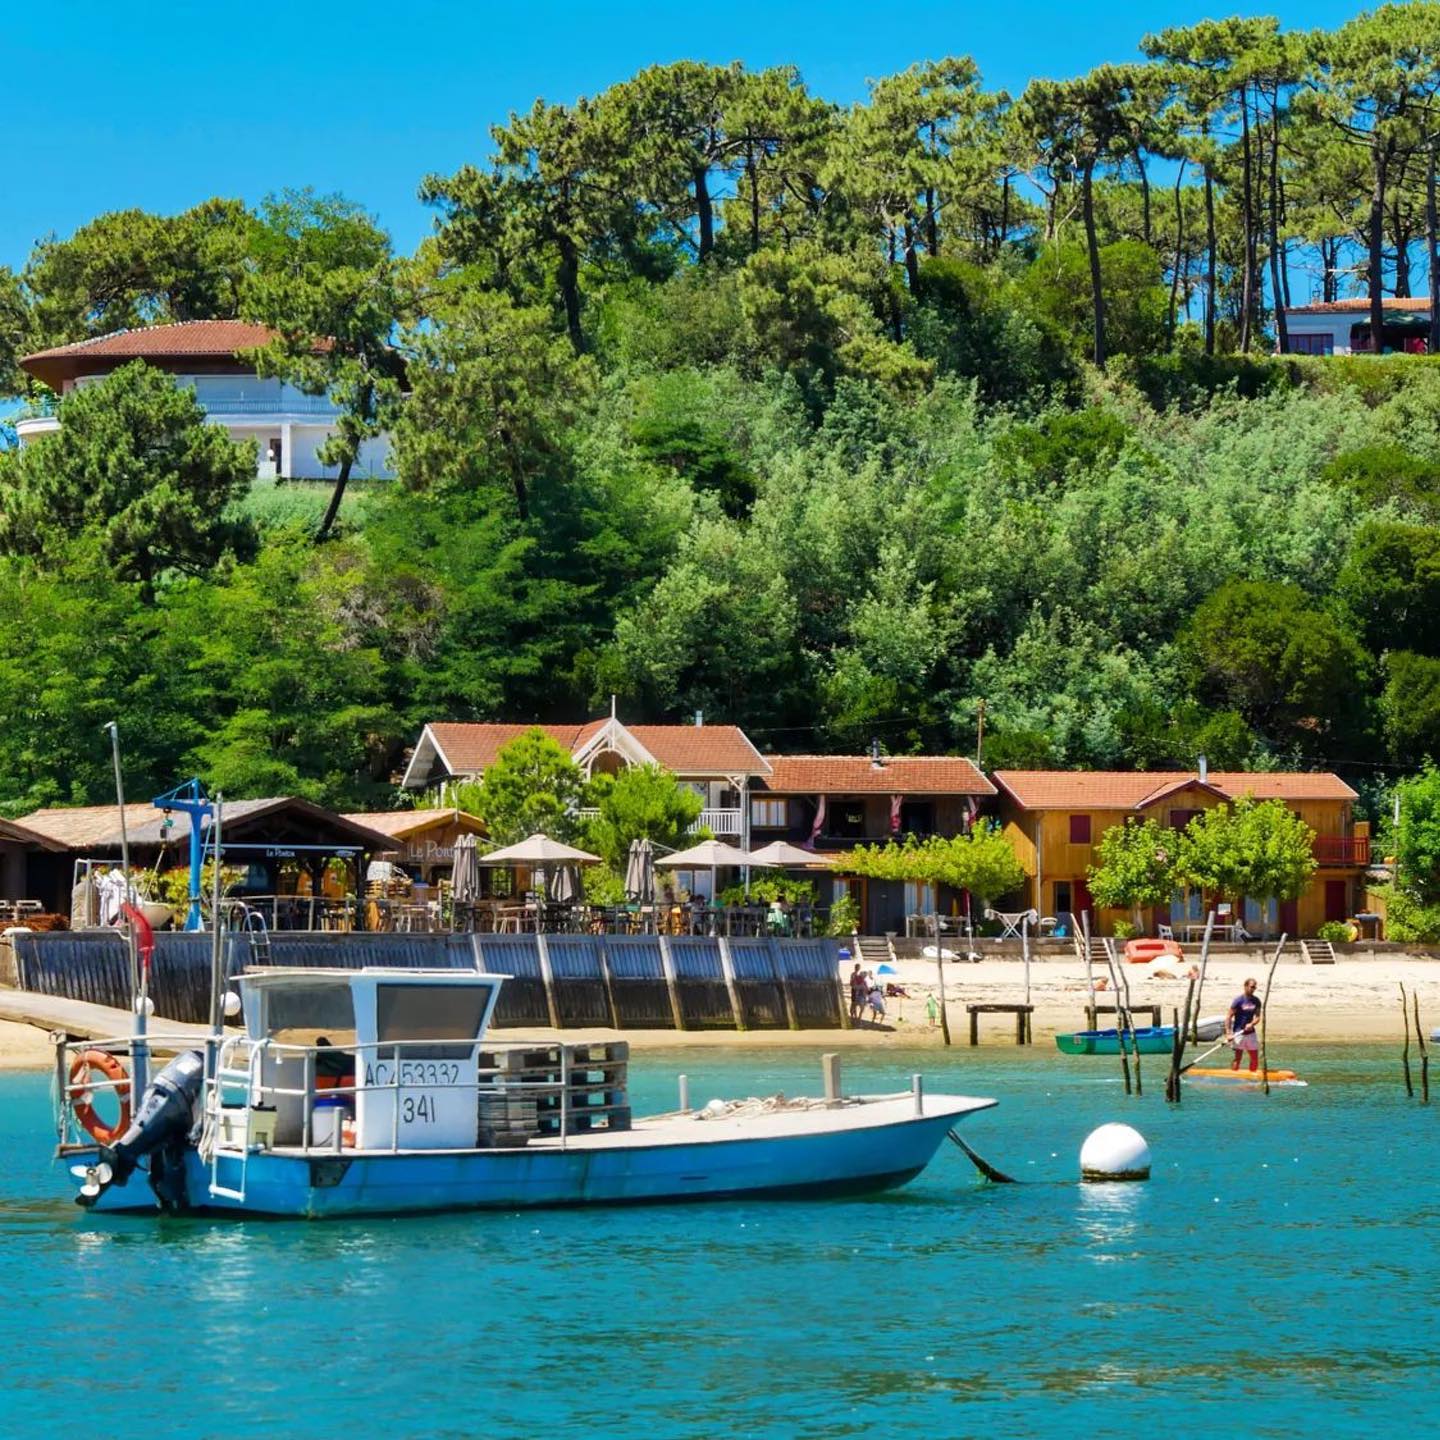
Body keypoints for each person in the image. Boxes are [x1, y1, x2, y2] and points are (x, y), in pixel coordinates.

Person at [1226, 977, 1263, 1073]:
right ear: (1245, 986)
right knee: (1238, 1058)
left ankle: (1252, 1078)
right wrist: (1228, 1033)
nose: (1253, 989)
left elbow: (1258, 1017)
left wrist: (1251, 1024)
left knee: (1254, 1058)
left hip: (1251, 1033)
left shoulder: (1256, 1001)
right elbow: (1229, 1017)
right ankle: (1234, 1076)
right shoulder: (1238, 1000)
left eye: (1254, 987)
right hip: (1239, 1033)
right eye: (1251, 987)